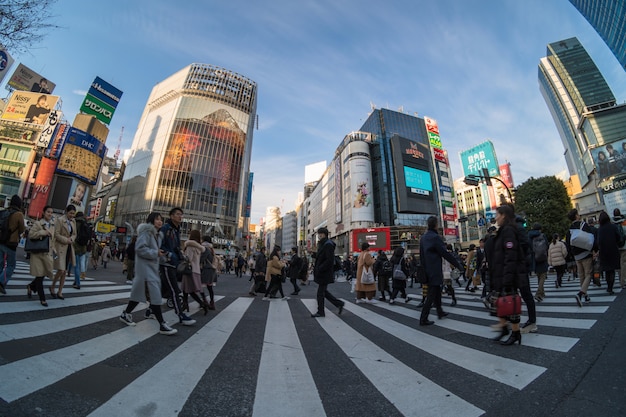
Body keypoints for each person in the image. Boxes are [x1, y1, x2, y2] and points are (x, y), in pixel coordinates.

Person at [119, 212, 177, 335]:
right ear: (151, 221)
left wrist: (162, 256)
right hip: (145, 270)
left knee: (139, 296)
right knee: (155, 296)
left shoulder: (156, 235)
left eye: (161, 219)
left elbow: (152, 252)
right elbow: (140, 249)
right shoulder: (146, 233)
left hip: (150, 270)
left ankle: (125, 314)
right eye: (157, 219)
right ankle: (162, 324)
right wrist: (156, 253)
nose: (160, 221)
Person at [486, 205, 526, 345]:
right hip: (500, 274)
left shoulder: (508, 231)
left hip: (507, 275)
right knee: (496, 302)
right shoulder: (502, 231)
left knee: (511, 305)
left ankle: (515, 333)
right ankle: (504, 328)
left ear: (503, 215)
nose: (495, 217)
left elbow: (511, 255)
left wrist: (507, 278)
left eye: (497, 214)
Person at [418, 216, 463, 326]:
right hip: (435, 269)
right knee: (431, 294)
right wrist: (458, 264)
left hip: (427, 269)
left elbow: (421, 255)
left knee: (436, 291)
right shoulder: (435, 237)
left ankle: (440, 311)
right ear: (436, 225)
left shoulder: (423, 238)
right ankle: (423, 318)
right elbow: (444, 253)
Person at [159, 207, 195, 325]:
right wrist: (169, 254)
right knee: (174, 290)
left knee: (163, 290)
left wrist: (181, 256)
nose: (180, 217)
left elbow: (176, 247)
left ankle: (150, 310)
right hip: (166, 263)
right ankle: (181, 315)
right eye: (178, 214)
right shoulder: (166, 228)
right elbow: (159, 245)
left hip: (173, 263)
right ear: (172, 216)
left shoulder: (176, 229)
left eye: (181, 215)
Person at [566, 208, 598, 307]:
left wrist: (572, 254)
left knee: (581, 275)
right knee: (588, 274)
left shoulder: (570, 229)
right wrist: (594, 250)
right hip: (585, 253)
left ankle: (586, 296)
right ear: (576, 216)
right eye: (578, 214)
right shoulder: (584, 225)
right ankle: (581, 293)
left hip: (576, 256)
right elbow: (590, 239)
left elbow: (568, 244)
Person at [311, 227, 345, 317]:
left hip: (324, 272)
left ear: (324, 234)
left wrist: (320, 268)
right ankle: (339, 304)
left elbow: (329, 260)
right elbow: (322, 257)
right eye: (318, 234)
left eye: (320, 234)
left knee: (320, 293)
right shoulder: (323, 244)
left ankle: (321, 312)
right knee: (324, 292)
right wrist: (314, 254)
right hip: (323, 272)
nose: (319, 236)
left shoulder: (328, 244)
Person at [26, 205, 55, 307]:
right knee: (39, 276)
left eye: (51, 212)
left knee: (42, 275)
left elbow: (52, 240)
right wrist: (43, 232)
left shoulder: (52, 225)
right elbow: (31, 235)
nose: (50, 214)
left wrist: (54, 250)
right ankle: (42, 298)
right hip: (38, 253)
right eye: (48, 212)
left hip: (47, 254)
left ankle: (30, 286)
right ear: (43, 212)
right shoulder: (38, 223)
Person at [0, 195, 26, 294]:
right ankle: (1, 281)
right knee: (11, 265)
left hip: (1, 240)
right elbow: (22, 229)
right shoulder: (19, 214)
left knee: (0, 263)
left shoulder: (4, 211)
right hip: (11, 242)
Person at [50, 204, 76, 300]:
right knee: (61, 270)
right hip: (61, 247)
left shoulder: (73, 221)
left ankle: (60, 291)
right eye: (70, 213)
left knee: (64, 271)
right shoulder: (60, 220)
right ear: (66, 212)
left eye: (73, 213)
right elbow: (56, 234)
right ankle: (53, 286)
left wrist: (71, 239)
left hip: (69, 247)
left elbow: (74, 234)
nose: (72, 215)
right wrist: (66, 240)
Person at [181, 229, 209, 315]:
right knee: (186, 288)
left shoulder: (190, 245)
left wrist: (182, 254)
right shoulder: (199, 247)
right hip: (196, 270)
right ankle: (185, 304)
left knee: (189, 290)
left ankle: (202, 304)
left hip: (189, 270)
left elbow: (188, 258)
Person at [597, 211, 621, 295]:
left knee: (607, 270)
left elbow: (598, 241)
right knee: (612, 270)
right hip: (613, 249)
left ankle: (609, 287)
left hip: (604, 251)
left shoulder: (599, 229)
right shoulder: (613, 226)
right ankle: (611, 286)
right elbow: (618, 237)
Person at [528, 223, 549, 302]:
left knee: (539, 275)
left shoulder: (530, 236)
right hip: (543, 257)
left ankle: (542, 292)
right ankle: (538, 293)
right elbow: (547, 245)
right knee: (543, 276)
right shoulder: (542, 235)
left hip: (534, 258)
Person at [72, 212, 89, 289]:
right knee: (81, 263)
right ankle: (76, 281)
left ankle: (78, 283)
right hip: (83, 247)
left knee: (76, 266)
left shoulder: (75, 223)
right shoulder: (85, 223)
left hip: (76, 247)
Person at [200, 235, 217, 310]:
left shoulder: (205, 248)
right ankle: (212, 302)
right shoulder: (211, 248)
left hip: (206, 269)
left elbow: (201, 259)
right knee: (210, 287)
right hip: (212, 269)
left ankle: (204, 301)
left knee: (199, 286)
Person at [611, 208, 626, 289]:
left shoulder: (612, 224)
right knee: (623, 264)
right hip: (624, 246)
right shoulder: (624, 223)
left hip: (616, 247)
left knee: (619, 265)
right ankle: (623, 282)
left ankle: (621, 279)